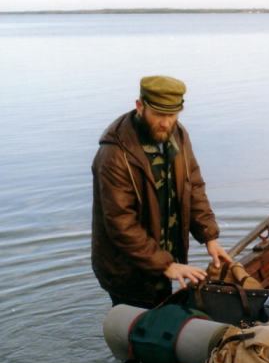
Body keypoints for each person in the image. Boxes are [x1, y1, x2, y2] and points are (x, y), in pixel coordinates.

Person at [92, 75, 232, 308]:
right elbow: (120, 222)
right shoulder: (115, 155)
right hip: (127, 271)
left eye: (172, 115)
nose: (166, 123)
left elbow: (193, 186)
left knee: (163, 322)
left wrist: (209, 236)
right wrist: (166, 265)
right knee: (140, 331)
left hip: (165, 258)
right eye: (159, 115)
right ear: (140, 106)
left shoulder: (177, 135)